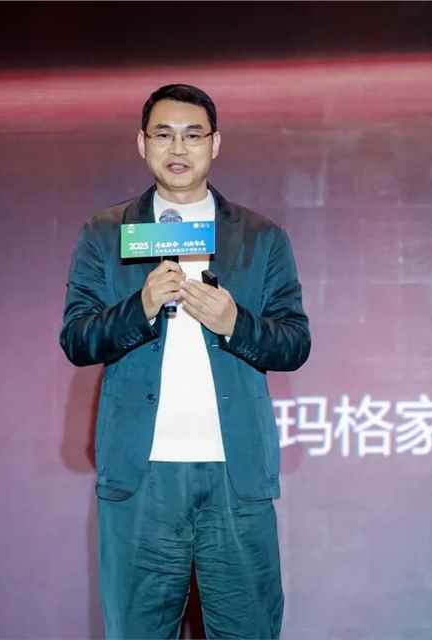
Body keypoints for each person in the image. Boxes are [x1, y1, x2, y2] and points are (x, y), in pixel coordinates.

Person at [60, 83, 310, 639]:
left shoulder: (260, 238)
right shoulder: (106, 234)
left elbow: (295, 343)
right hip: (142, 475)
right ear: (142, 144)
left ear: (215, 144)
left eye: (193, 135)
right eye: (164, 135)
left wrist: (234, 322)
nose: (178, 148)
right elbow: (77, 339)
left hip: (234, 473)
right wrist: (141, 307)